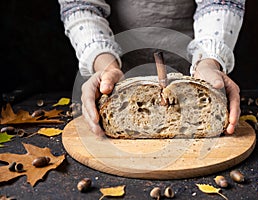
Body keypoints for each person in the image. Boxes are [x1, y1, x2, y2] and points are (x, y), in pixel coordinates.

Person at [58, 0, 244, 135]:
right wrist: (105, 68)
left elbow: (221, 3)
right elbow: (81, 5)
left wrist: (209, 62)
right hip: (117, 69)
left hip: (194, 70)